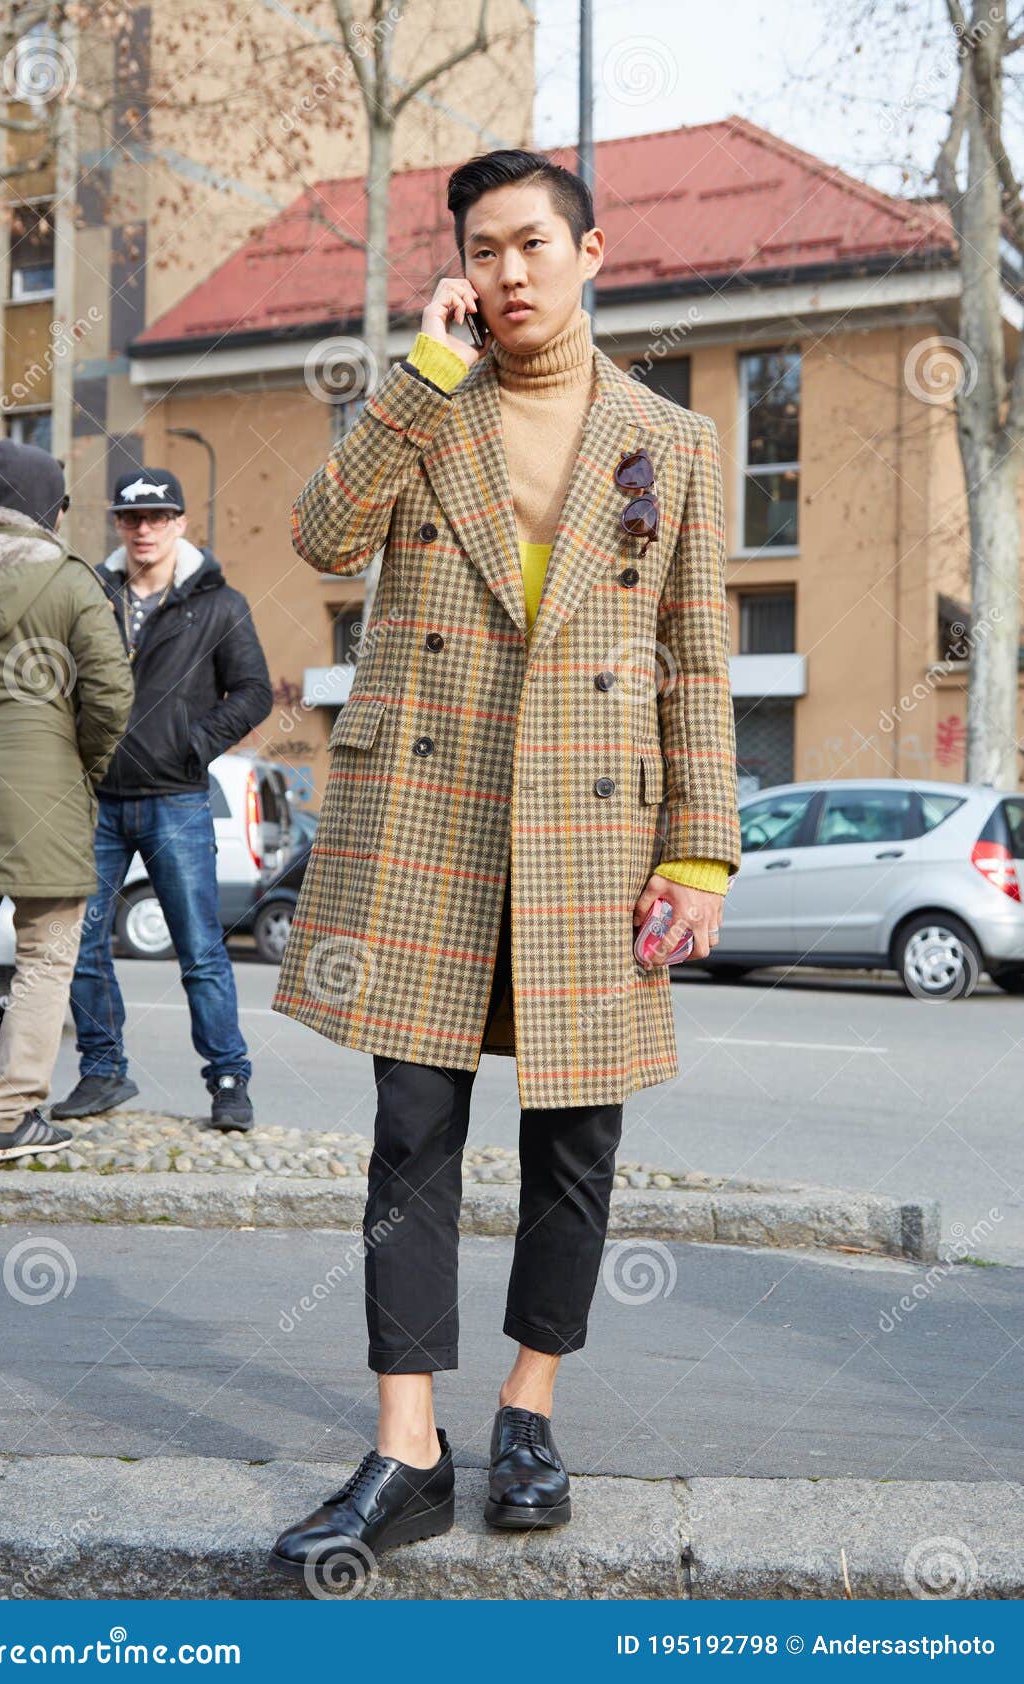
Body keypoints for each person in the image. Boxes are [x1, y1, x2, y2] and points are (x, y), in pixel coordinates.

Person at [269, 149, 741, 1586]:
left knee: (572, 1141)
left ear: (591, 252)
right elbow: (316, 534)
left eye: (534, 242)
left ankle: (525, 1413)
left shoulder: (671, 437)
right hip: (427, 826)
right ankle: (405, 1448)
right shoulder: (426, 413)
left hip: (592, 836)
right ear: (459, 270)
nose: (510, 271)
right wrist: (411, 373)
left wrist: (700, 851)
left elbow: (698, 665)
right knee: (410, 1129)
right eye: (484, 249)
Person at [51, 469, 273, 1132]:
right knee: (78, 940)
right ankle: (102, 1070)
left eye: (157, 517)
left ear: (179, 523)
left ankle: (229, 1080)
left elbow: (253, 693)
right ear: (118, 524)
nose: (143, 529)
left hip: (176, 798)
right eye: (130, 518)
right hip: (98, 800)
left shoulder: (219, 604)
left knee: (200, 949)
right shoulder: (91, 594)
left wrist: (191, 744)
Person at [0, 439, 133, 1163]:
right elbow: (111, 694)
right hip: (45, 790)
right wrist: (81, 764)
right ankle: (8, 1116)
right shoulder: (69, 579)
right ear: (50, 509)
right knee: (46, 956)